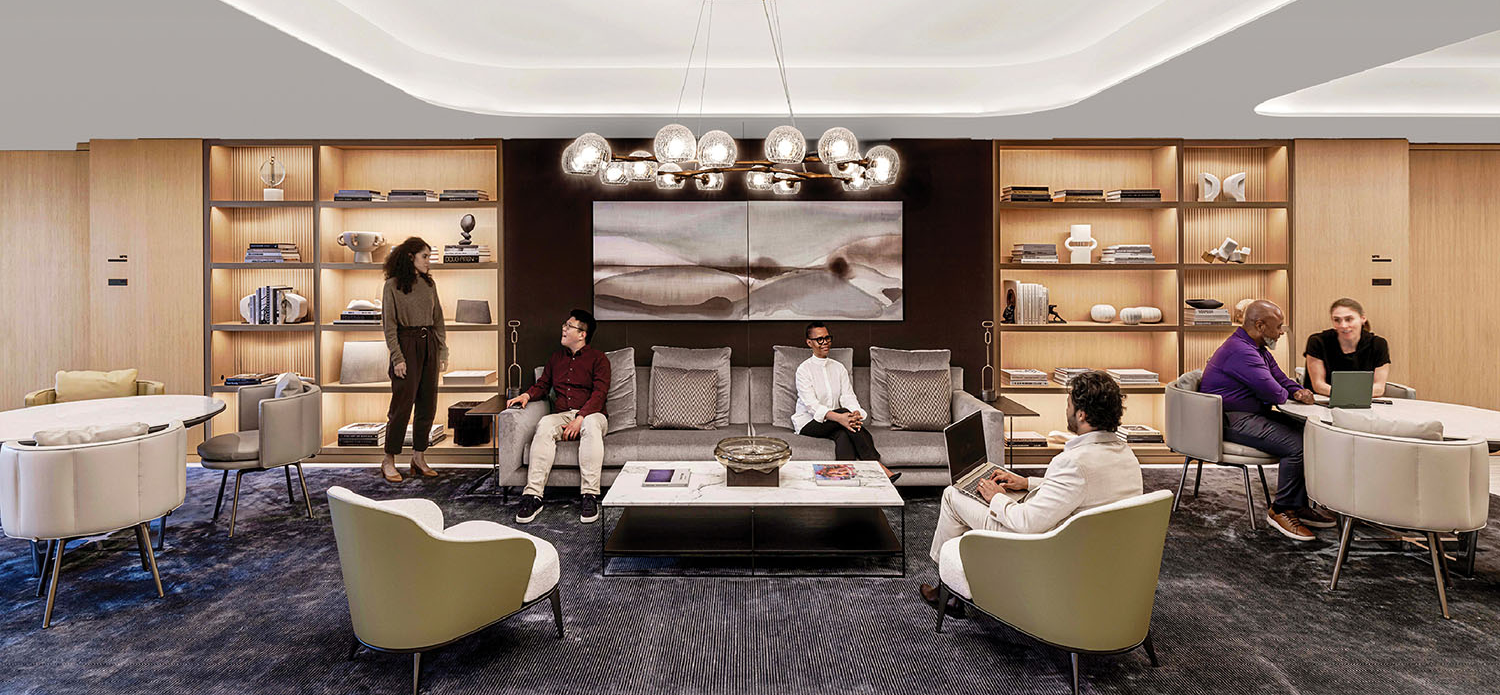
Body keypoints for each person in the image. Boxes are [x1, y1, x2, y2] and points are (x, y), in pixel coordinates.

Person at [919, 370, 1143, 613]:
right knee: (978, 495)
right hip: (1098, 560)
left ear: (1082, 414)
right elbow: (1083, 491)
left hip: (1037, 549)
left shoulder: (1074, 463)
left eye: (1069, 404)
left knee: (953, 495)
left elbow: (1025, 524)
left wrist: (997, 498)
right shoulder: (1126, 456)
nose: (1066, 409)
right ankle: (958, 582)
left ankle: (948, 591)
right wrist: (1026, 483)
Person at [1200, 299, 1331, 541]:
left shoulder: (1257, 348)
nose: (1282, 332)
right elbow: (1274, 392)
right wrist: (1292, 393)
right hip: (1230, 420)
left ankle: (1297, 504)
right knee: (1297, 446)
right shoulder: (1241, 351)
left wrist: (1296, 390)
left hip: (1252, 414)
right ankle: (1280, 510)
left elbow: (1281, 378)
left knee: (1311, 433)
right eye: (1279, 326)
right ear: (1260, 325)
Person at [505, 309, 611, 525]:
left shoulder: (599, 359)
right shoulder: (556, 359)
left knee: (590, 425)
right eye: (565, 324)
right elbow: (543, 385)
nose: (564, 328)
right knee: (544, 423)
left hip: (593, 415)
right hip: (562, 416)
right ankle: (533, 495)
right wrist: (526, 395)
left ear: (582, 334)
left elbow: (599, 394)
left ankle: (589, 495)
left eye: (569, 326)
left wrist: (580, 418)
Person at [792, 322, 897, 482]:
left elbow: (848, 397)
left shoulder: (839, 368)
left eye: (827, 338)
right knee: (842, 414)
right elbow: (812, 405)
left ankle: (845, 484)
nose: (825, 342)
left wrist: (855, 414)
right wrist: (841, 417)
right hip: (810, 423)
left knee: (843, 434)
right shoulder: (804, 370)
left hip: (838, 423)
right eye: (820, 339)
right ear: (809, 342)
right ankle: (876, 465)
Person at [380, 237, 447, 483]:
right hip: (406, 344)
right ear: (411, 257)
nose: (429, 262)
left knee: (427, 403)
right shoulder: (392, 286)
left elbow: (438, 319)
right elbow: (389, 326)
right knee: (402, 405)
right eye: (425, 256)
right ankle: (389, 460)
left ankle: (418, 457)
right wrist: (398, 357)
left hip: (429, 342)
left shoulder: (430, 285)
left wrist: (442, 351)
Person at [1303, 297, 1391, 398]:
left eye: (1349, 319)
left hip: (1364, 403)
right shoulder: (1317, 342)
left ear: (1362, 319)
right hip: (1324, 402)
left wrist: (1352, 396)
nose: (1343, 325)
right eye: (1337, 320)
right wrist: (1347, 396)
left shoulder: (1378, 344)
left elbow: (1379, 387)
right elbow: (1318, 385)